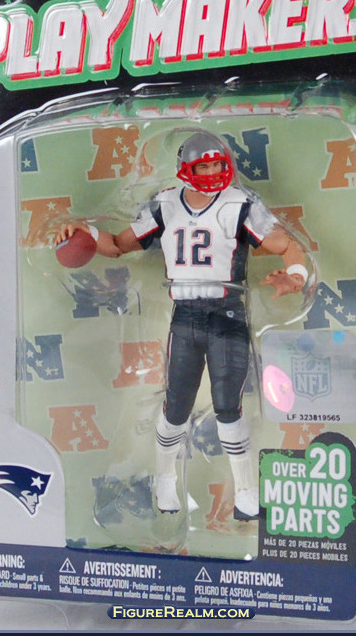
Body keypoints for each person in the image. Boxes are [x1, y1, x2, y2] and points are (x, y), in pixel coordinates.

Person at [56, 131, 308, 520]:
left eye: (218, 164)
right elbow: (119, 245)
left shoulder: (238, 205)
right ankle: (165, 480)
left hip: (227, 314)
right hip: (185, 315)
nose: (212, 172)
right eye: (204, 166)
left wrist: (296, 276)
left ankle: (245, 491)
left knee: (228, 406)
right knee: (176, 405)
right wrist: (84, 233)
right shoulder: (166, 204)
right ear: (185, 168)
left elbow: (288, 244)